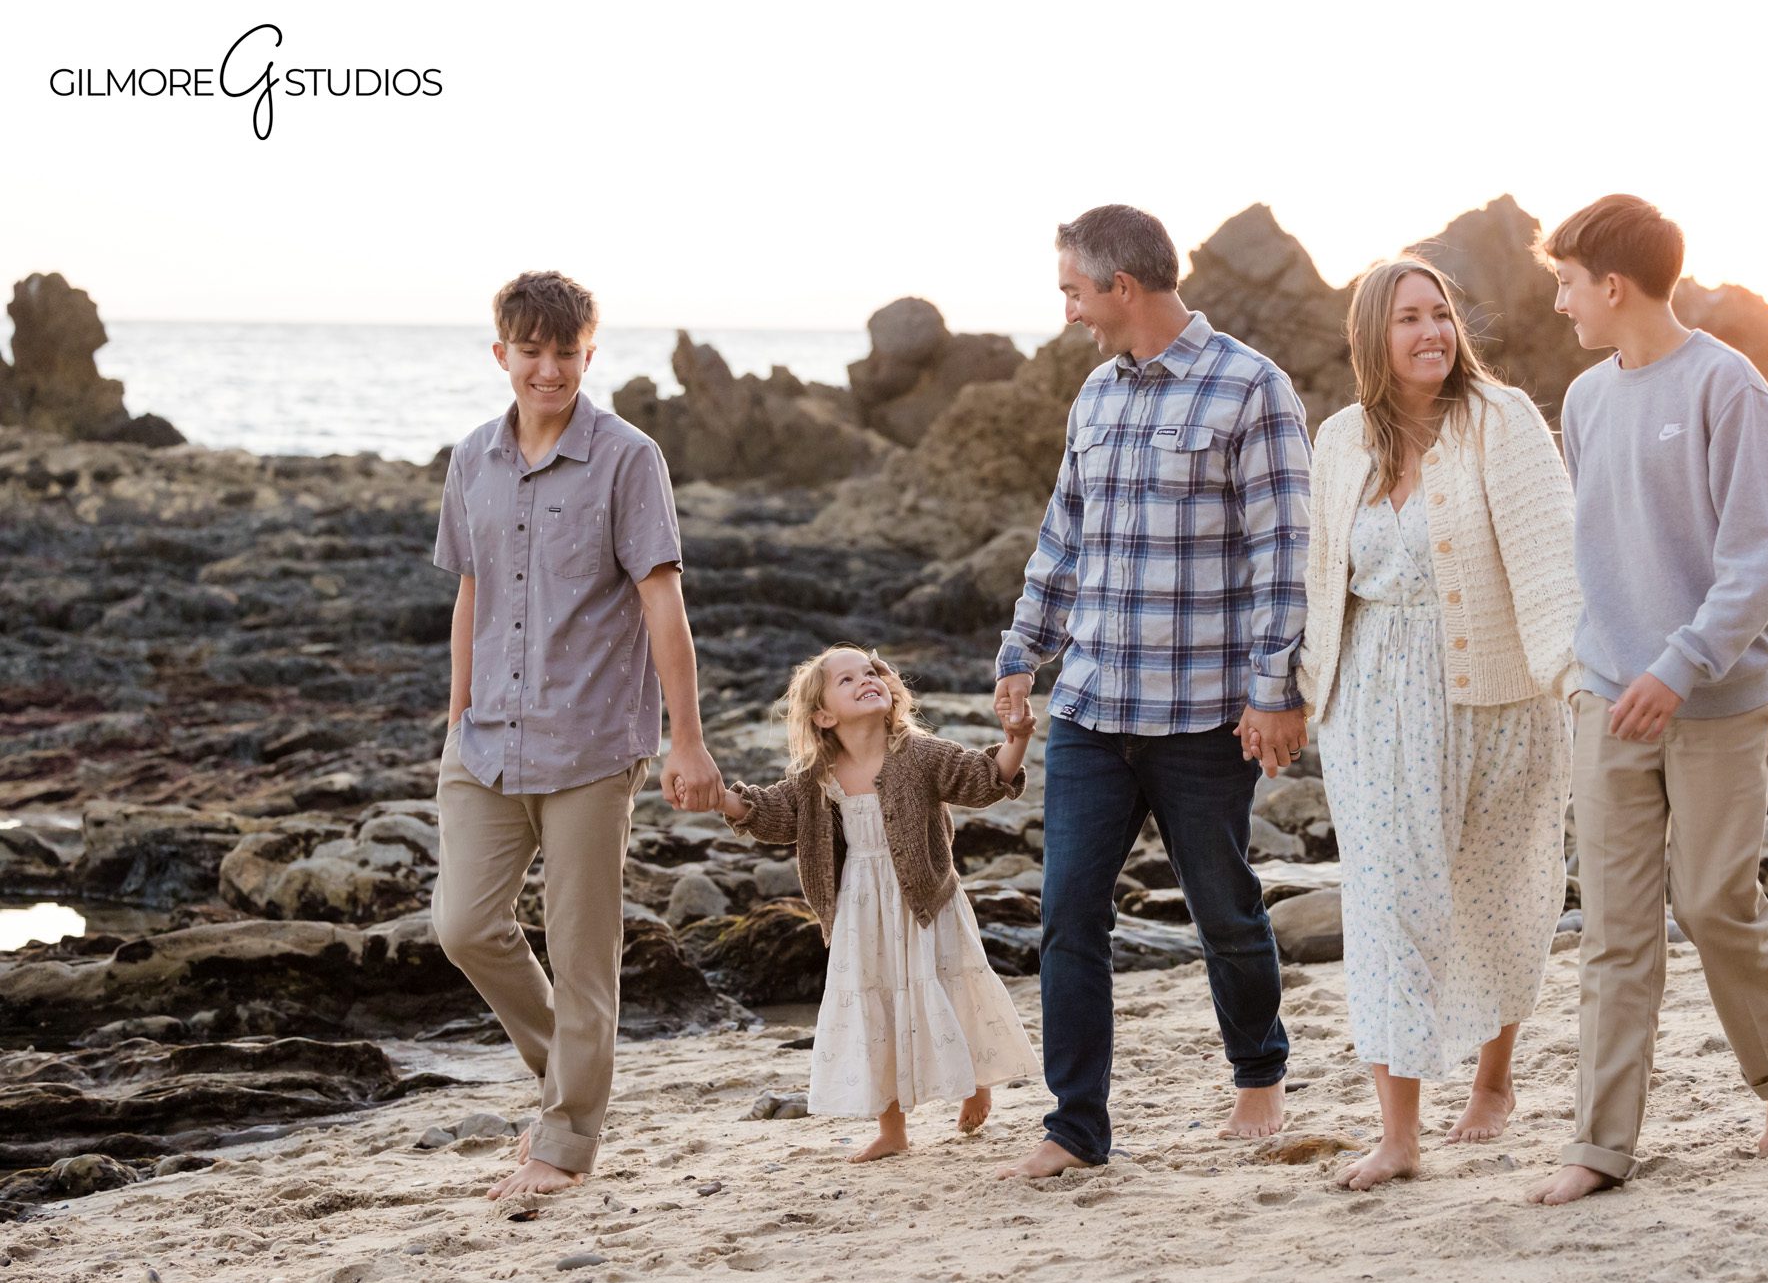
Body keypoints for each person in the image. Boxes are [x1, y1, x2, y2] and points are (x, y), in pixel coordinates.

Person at [992, 204, 1311, 1180]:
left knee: (1223, 908)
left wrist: (1275, 690)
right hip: (1091, 709)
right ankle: (1074, 1127)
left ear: (1120, 287)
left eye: (1073, 292)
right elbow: (1063, 538)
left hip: (1203, 715)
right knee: (1067, 914)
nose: (1068, 312)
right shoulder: (1094, 394)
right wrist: (1021, 653)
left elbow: (1285, 555)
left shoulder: (1251, 388)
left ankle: (1258, 1071)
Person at [1527, 195, 1768, 1207]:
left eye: (1566, 284)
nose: (1559, 302)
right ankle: (1599, 1146)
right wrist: (1596, 665)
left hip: (1716, 698)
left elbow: (1763, 554)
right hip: (1607, 696)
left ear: (1611, 285)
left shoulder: (1726, 385)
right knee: (1613, 927)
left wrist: (1681, 663)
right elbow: (1599, 545)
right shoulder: (1582, 398)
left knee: (1708, 901)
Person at [430, 270, 724, 1200]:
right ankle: (571, 1075)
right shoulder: (472, 460)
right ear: (502, 354)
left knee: (582, 952)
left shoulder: (628, 459)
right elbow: (470, 591)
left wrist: (687, 739)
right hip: (485, 739)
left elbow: (663, 602)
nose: (548, 369)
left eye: (566, 352)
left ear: (588, 355)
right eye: (532, 351)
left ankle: (563, 1143)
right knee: (463, 925)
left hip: (592, 742)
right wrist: (455, 716)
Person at [1296, 257, 1578, 1190]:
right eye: (1409, 318)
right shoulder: (1340, 438)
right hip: (1372, 697)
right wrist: (1294, 692)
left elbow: (1550, 559)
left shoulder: (1504, 420)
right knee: (1387, 903)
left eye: (1442, 315)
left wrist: (1577, 676)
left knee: (1500, 891)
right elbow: (1318, 577)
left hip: (1498, 692)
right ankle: (1399, 1134)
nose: (1432, 333)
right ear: (1372, 336)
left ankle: (1494, 1077)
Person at [707, 645, 1039, 1161]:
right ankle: (892, 1130)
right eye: (847, 679)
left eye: (869, 671)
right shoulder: (815, 776)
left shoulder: (919, 754)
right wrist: (720, 798)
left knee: (950, 987)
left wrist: (1016, 739)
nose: (865, 679)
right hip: (859, 906)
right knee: (876, 1006)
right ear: (823, 715)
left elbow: (983, 779)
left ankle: (975, 1080)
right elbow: (773, 814)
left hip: (926, 899)